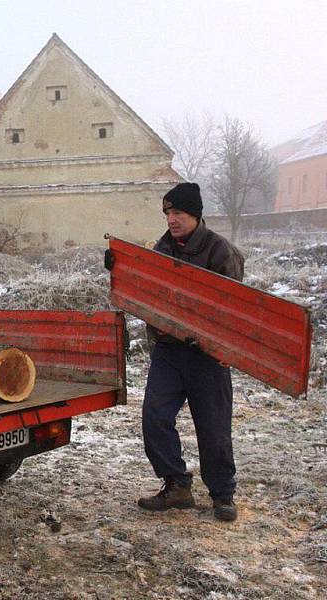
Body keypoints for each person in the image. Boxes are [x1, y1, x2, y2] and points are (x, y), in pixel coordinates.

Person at [138, 182, 245, 522]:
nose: (172, 219)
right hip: (169, 352)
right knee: (154, 417)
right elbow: (147, 290)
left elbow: (235, 308)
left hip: (207, 355)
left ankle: (223, 494)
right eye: (168, 213)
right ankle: (177, 485)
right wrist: (121, 268)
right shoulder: (162, 248)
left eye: (178, 213)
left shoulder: (220, 252)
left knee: (213, 427)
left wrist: (223, 346)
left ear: (196, 215)